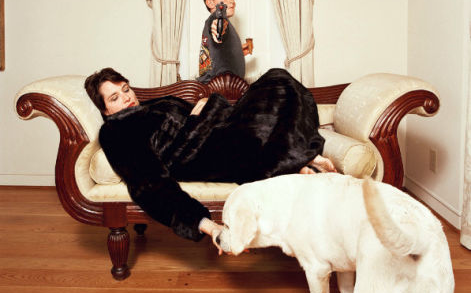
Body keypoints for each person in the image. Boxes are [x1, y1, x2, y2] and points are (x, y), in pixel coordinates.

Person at [84, 67, 336, 249]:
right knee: (274, 91)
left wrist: (201, 108)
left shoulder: (147, 107)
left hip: (213, 131)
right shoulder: (115, 132)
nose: (127, 97)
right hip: (200, 153)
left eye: (125, 89)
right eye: (115, 98)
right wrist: (207, 225)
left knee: (277, 78)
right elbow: (149, 184)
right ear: (105, 110)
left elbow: (186, 118)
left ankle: (299, 160)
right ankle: (302, 158)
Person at [198, 0, 251, 83]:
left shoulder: (217, 21)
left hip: (220, 83)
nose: (232, 1)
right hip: (220, 86)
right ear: (210, 3)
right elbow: (218, 26)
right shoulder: (218, 19)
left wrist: (237, 51)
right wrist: (218, 28)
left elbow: (217, 48)